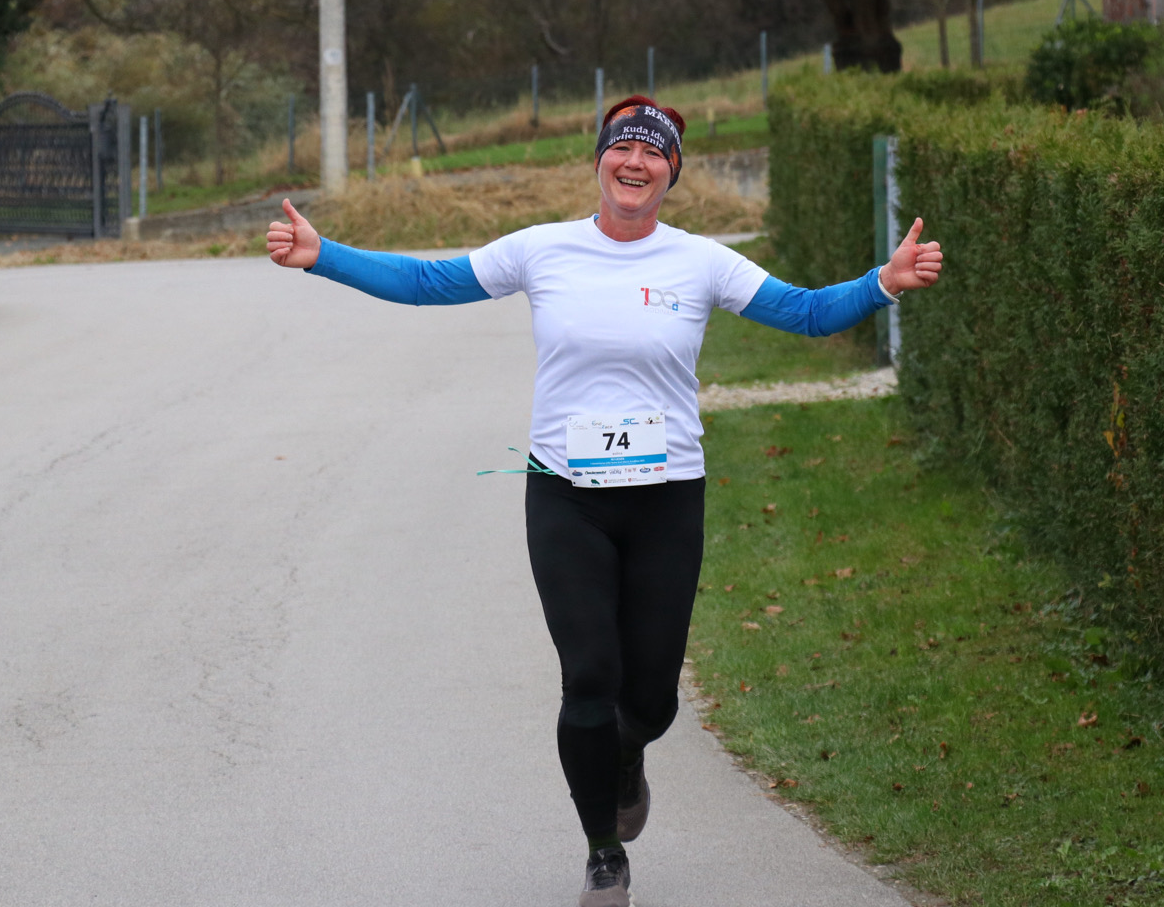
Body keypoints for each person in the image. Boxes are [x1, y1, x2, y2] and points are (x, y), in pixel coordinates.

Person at [266, 95, 943, 907]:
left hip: (666, 499)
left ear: (671, 173)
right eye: (622, 149)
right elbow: (424, 282)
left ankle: (627, 754)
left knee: (649, 698)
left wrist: (884, 282)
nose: (634, 162)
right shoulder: (543, 250)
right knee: (589, 676)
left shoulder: (701, 262)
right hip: (566, 497)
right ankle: (603, 853)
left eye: (652, 154)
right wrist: (322, 254)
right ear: (599, 162)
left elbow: (801, 312)